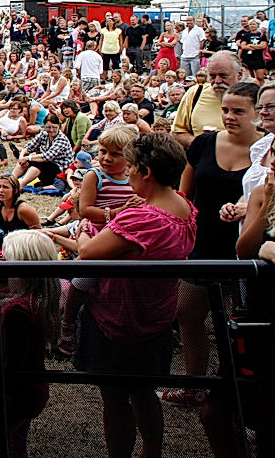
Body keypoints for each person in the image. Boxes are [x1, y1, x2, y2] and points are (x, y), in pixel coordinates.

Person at [74, 132, 196, 458]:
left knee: (114, 397)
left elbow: (87, 253)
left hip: (119, 320)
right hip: (156, 317)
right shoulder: (184, 206)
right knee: (144, 393)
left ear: (147, 173)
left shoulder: (143, 219)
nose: (126, 174)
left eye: (131, 168)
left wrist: (86, 229)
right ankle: (152, 452)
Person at [164, 81, 261, 407]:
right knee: (187, 312)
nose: (229, 116)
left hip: (245, 249)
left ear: (257, 114)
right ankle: (195, 384)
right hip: (202, 243)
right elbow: (183, 193)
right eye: (225, 110)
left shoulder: (266, 152)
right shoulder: (205, 143)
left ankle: (239, 392)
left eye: (238, 111)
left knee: (243, 323)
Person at [0, 230, 61, 457]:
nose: (1, 262)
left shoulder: (17, 311)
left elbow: (11, 370)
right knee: (14, 443)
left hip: (16, 397)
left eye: (6, 259)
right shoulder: (38, 302)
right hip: (30, 391)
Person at [172, 51, 242, 147]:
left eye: (223, 75)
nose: (217, 81)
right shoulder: (195, 93)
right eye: (212, 76)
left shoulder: (253, 98)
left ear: (239, 75)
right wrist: (202, 144)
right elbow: (177, 133)